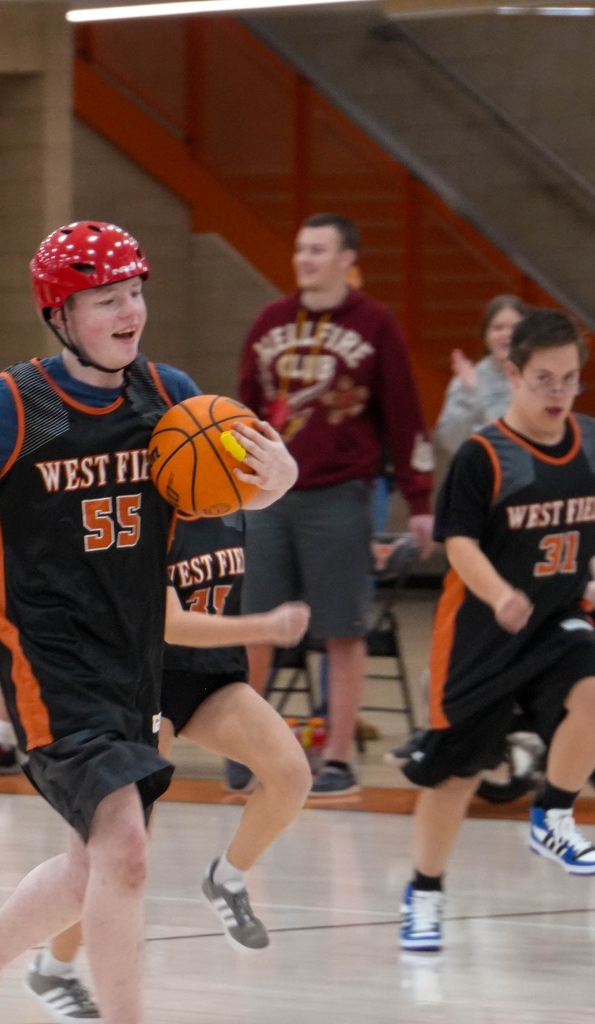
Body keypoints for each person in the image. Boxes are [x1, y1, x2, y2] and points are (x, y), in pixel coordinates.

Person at [0, 221, 299, 1024]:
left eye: (135, 294)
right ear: (60, 313)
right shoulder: (20, 405)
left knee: (94, 867)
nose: (129, 312)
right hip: (49, 663)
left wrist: (279, 477)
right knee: (124, 851)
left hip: (135, 661)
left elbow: (236, 491)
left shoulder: (170, 397)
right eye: (106, 300)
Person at [0, 513, 312, 1022]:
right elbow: (170, 621)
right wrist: (268, 627)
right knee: (116, 853)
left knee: (292, 775)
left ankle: (228, 877)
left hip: (209, 676)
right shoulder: (153, 507)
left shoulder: (231, 501)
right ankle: (53, 968)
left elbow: (275, 473)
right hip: (141, 684)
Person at [399, 307, 595, 953]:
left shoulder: (590, 442)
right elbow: (458, 545)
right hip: (482, 637)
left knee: (592, 687)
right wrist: (499, 593)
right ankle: (424, 892)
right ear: (511, 373)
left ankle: (554, 813)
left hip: (558, 624)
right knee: (454, 779)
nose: (559, 393)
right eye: (544, 378)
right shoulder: (485, 457)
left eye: (570, 378)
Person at [237, 211, 435, 797]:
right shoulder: (271, 320)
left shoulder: (376, 324)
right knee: (256, 627)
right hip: (268, 497)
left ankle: (339, 760)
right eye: (301, 249)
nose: (305, 259)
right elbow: (242, 411)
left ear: (348, 258)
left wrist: (419, 500)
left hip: (341, 493)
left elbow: (405, 414)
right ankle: (248, 752)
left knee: (342, 630)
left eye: (318, 250)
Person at [434, 294, 528, 457]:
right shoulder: (466, 380)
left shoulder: (539, 379)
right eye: (498, 328)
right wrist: (470, 393)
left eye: (515, 328)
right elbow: (449, 441)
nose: (506, 334)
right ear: (486, 335)